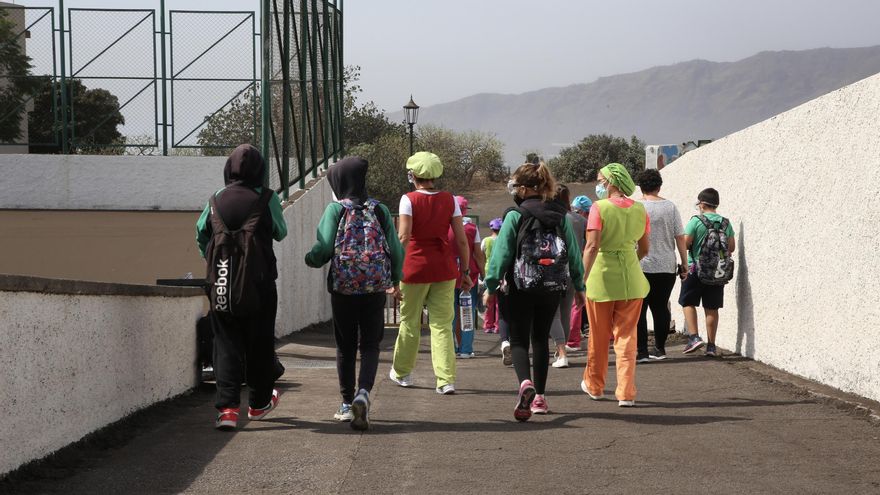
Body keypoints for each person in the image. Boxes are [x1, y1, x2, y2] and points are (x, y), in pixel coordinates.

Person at [304, 156, 404, 430]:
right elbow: (395, 249)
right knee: (370, 344)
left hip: (343, 288)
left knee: (345, 346)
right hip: (374, 286)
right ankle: (364, 393)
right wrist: (394, 279)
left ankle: (347, 404)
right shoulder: (380, 210)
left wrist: (310, 259)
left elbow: (323, 249)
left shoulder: (335, 210)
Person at [196, 144, 288, 430]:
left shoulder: (215, 199)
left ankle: (227, 410)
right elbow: (281, 232)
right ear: (260, 170)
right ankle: (259, 404)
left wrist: (218, 261)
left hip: (222, 281)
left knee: (225, 343)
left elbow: (202, 234)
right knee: (260, 342)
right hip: (259, 284)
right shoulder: (267, 198)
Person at [485, 162, 586, 421]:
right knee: (541, 338)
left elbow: (502, 253)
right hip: (553, 285)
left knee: (519, 340)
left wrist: (491, 284)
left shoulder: (515, 215)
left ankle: (525, 384)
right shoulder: (561, 215)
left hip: (520, 285)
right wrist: (579, 285)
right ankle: (540, 398)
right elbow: (574, 253)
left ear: (522, 187)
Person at [390, 152, 473, 395]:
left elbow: (404, 237)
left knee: (410, 322)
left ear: (412, 175)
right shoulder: (450, 200)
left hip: (413, 269)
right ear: (436, 175)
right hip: (444, 269)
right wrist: (465, 271)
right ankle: (446, 380)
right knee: (442, 325)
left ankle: (403, 373)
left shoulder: (408, 199)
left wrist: (394, 273)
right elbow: (461, 240)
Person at [580, 163, 650, 408]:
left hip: (601, 279)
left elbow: (591, 246)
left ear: (610, 182)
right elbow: (644, 248)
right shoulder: (640, 209)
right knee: (627, 337)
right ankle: (626, 392)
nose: (598, 184)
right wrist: (630, 260)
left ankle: (595, 386)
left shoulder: (598, 207)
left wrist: (582, 277)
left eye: (600, 179)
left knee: (598, 337)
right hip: (631, 279)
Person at [635, 169, 688, 362]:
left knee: (639, 309)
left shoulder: (636, 207)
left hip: (640, 264)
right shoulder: (670, 207)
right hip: (666, 265)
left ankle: (641, 352)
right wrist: (684, 263)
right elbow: (679, 237)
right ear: (659, 186)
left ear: (640, 187)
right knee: (660, 308)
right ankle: (660, 348)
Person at [680, 188, 735, 357]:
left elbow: (685, 243)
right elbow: (731, 247)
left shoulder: (696, 221)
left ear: (702, 204)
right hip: (717, 272)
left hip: (695, 269)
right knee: (712, 308)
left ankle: (694, 337)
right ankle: (711, 346)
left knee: (687, 302)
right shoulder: (726, 223)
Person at [550, 184, 586, 368]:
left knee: (553, 313)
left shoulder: (552, 219)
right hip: (575, 269)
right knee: (565, 310)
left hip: (555, 269)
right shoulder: (580, 220)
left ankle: (561, 351)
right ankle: (560, 351)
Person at [449, 195, 484, 358]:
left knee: (449, 314)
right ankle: (466, 349)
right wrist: (484, 273)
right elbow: (478, 254)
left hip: (448, 276)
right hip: (469, 276)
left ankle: (450, 347)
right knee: (467, 312)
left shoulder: (444, 227)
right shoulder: (471, 228)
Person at [566, 195, 592, 351]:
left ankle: (568, 339)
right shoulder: (582, 221)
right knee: (579, 302)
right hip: (582, 263)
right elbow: (591, 243)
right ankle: (574, 339)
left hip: (561, 266)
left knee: (570, 304)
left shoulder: (557, 218)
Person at [481, 218, 502, 334]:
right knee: (499, 301)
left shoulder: (486, 240)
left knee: (489, 299)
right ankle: (498, 325)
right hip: (500, 272)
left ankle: (488, 324)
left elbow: (482, 255)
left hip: (488, 271)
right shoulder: (502, 240)